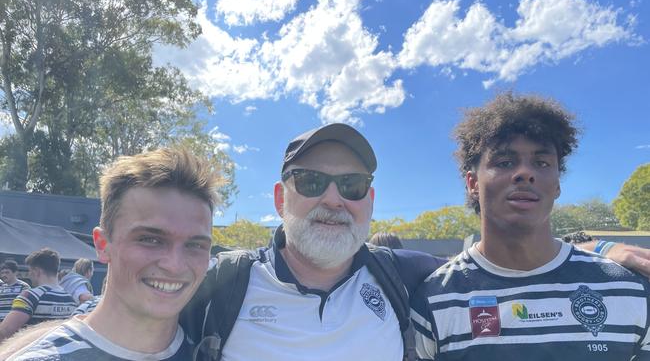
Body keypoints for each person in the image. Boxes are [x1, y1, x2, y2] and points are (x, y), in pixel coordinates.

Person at [410, 92, 650, 360]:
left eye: (542, 162)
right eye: (505, 162)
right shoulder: (434, 299)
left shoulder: (629, 289)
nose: (525, 173)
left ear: (557, 183)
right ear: (473, 183)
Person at [181, 123, 448, 361]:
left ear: (370, 201)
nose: (333, 200)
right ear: (279, 200)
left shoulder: (401, 274)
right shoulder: (218, 285)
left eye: (352, 185)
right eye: (311, 181)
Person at [4, 148, 222, 360]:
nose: (175, 265)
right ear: (102, 244)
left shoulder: (217, 351)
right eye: (150, 240)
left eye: (195, 245)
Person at [0, 249, 76, 343]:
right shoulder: (71, 300)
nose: (29, 274)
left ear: (36, 271)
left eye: (30, 270)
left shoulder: (30, 296)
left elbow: (5, 331)